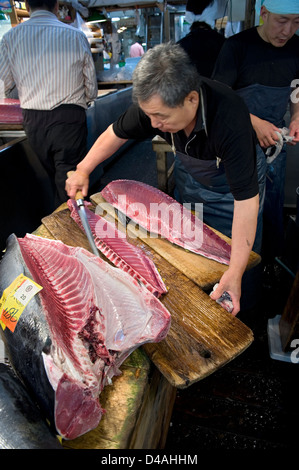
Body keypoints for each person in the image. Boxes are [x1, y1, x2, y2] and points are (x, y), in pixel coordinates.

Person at [65, 42, 259, 316]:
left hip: (234, 193)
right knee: (190, 253)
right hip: (194, 179)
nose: (153, 124)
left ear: (191, 99)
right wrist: (83, 169)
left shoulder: (229, 118)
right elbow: (115, 133)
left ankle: (245, 312)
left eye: (161, 117)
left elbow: (247, 201)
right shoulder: (155, 106)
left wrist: (236, 272)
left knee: (238, 265)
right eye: (149, 116)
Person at [212, 0, 299, 265]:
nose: (288, 30)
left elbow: (297, 88)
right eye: (281, 21)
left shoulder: (297, 48)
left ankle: (271, 265)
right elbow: (218, 99)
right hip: (239, 145)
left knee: (272, 208)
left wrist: (296, 115)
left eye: (296, 22)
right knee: (246, 212)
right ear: (264, 13)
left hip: (275, 143)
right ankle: (244, 268)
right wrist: (253, 123)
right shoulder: (237, 47)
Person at [0, 0, 97, 209]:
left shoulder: (10, 38)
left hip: (33, 119)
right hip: (69, 117)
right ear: (56, 6)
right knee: (69, 182)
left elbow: (5, 84)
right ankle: (72, 232)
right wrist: (87, 100)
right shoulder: (75, 35)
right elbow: (91, 82)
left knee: (55, 178)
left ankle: (63, 229)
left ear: (26, 6)